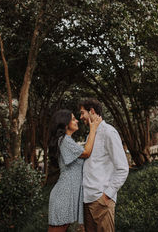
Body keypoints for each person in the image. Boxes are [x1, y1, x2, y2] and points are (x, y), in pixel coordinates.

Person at [79, 98, 129, 232]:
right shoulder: (91, 134)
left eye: (82, 113)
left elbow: (123, 168)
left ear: (92, 111)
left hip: (101, 201)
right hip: (87, 200)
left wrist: (107, 196)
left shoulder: (109, 132)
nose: (81, 117)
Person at [48, 109, 101, 232]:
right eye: (73, 119)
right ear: (65, 123)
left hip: (67, 194)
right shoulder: (64, 140)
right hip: (63, 195)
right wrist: (93, 128)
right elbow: (86, 152)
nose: (77, 120)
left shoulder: (67, 141)